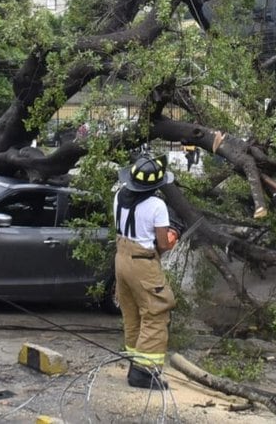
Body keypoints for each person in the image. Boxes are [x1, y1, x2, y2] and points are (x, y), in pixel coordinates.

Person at [113, 150, 180, 389]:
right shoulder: (157, 205)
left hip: (121, 258)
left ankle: (135, 363)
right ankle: (143, 373)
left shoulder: (119, 195)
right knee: (156, 312)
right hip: (142, 262)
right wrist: (171, 238)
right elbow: (162, 244)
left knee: (131, 314)